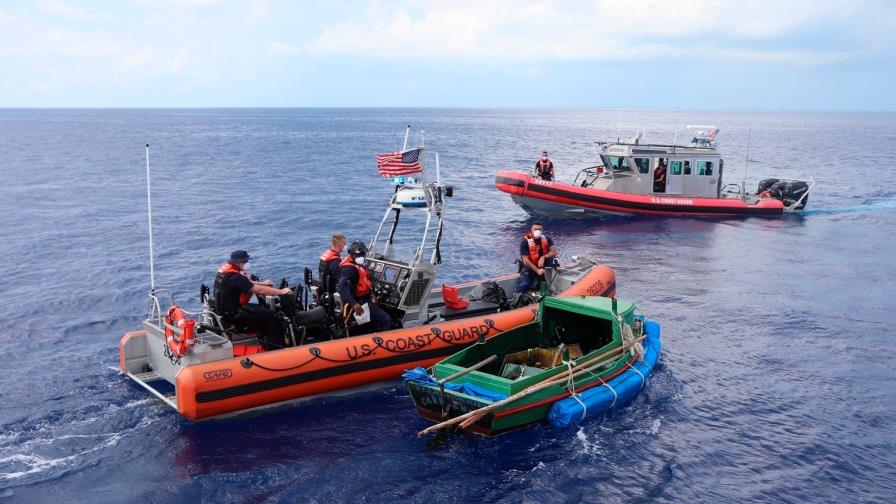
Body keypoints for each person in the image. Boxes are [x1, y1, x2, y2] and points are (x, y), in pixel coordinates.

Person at [213, 250, 292, 349]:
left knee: (261, 309)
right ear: (240, 262)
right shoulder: (234, 277)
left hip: (226, 311)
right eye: (246, 262)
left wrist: (264, 283)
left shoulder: (226, 273)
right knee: (271, 315)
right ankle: (277, 349)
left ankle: (267, 343)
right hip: (233, 315)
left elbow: (246, 282)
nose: (247, 264)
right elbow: (258, 290)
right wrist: (281, 292)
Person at [337, 241, 392, 332]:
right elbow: (341, 288)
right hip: (359, 303)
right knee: (386, 320)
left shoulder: (356, 264)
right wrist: (354, 304)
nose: (361, 256)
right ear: (351, 254)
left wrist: (371, 292)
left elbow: (363, 282)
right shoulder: (349, 269)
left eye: (363, 254)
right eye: (358, 255)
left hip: (363, 299)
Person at [515, 222, 558, 294]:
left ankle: (547, 291)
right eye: (535, 229)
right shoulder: (525, 242)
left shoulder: (547, 239)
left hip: (542, 266)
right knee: (524, 284)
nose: (537, 231)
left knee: (551, 262)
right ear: (531, 230)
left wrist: (543, 257)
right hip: (530, 266)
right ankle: (516, 297)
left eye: (539, 229)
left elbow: (554, 252)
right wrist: (537, 270)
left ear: (542, 230)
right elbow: (525, 260)